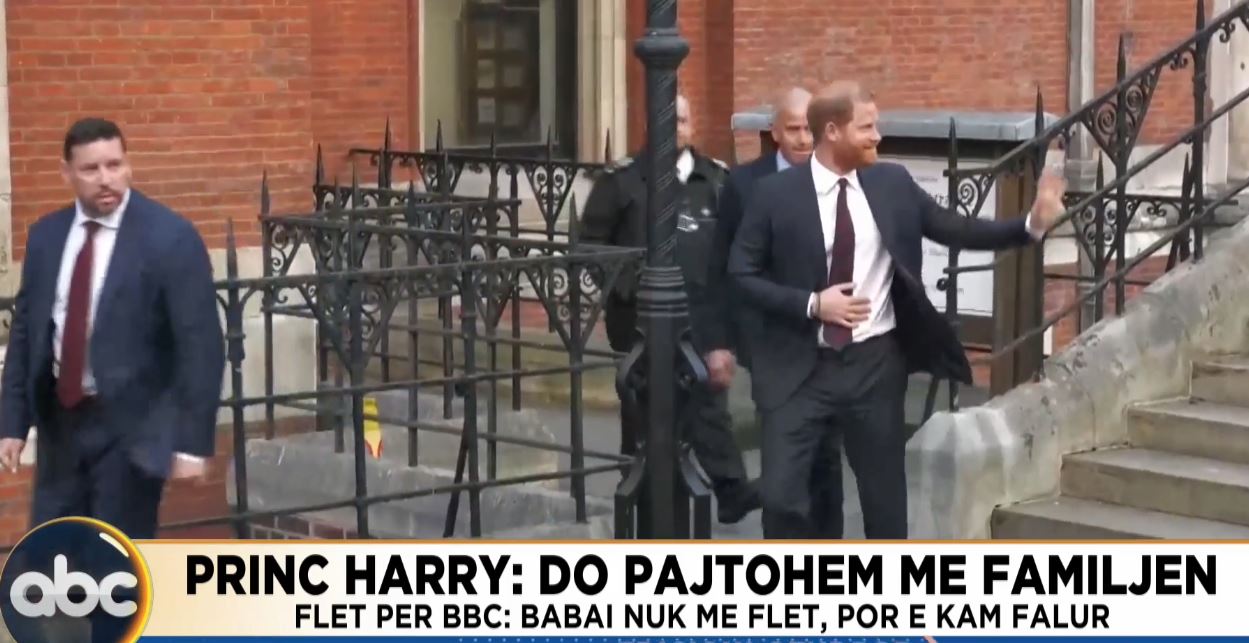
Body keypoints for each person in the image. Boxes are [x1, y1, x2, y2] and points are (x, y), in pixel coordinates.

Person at [728, 81, 1066, 539]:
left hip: (874, 367)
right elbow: (741, 274)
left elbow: (955, 228)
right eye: (867, 127)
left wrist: (1030, 225)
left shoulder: (892, 184)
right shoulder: (775, 194)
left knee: (884, 504)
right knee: (784, 500)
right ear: (832, 131)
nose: (878, 136)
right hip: (798, 369)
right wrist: (812, 304)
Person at [0, 118, 225, 540]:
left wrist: (192, 443)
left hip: (130, 431)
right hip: (60, 426)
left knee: (117, 559)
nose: (106, 179)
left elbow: (201, 346)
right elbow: (27, 332)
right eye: (91, 169)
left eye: (114, 165)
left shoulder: (170, 237)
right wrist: (12, 423)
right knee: (52, 555)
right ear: (66, 172)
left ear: (128, 164)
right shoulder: (47, 237)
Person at [582, 94, 760, 524]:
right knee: (643, 414)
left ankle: (730, 492)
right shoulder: (621, 181)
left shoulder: (716, 179)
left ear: (692, 126)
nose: (676, 127)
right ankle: (640, 503)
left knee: (708, 406)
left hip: (703, 319)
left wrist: (729, 337)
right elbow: (589, 246)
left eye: (682, 119)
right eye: (668, 118)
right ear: (650, 124)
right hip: (640, 325)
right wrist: (629, 288)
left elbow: (737, 253)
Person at [703, 87, 844, 537]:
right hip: (771, 344)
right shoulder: (745, 185)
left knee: (827, 462)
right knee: (783, 461)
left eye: (809, 129)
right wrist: (718, 342)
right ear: (774, 132)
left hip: (830, 343)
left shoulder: (842, 177)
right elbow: (721, 266)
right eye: (793, 129)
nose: (803, 139)